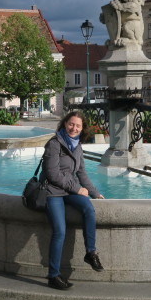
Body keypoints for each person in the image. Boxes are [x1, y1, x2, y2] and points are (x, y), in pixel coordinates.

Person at [40, 110, 105, 290]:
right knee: (60, 231)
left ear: (82, 128)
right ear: (64, 124)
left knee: (89, 209)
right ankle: (53, 275)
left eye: (78, 125)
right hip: (53, 192)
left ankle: (90, 253)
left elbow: (81, 173)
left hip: (69, 191)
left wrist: (94, 193)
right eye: (71, 124)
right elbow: (53, 174)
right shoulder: (54, 144)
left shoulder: (77, 146)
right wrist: (77, 189)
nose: (73, 128)